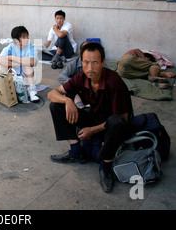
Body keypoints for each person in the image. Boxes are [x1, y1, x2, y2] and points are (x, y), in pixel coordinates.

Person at [48, 42, 133, 193]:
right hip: (94, 116)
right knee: (56, 106)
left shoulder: (114, 82)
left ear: (103, 63)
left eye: (95, 63)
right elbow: (52, 93)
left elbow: (123, 118)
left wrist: (92, 131)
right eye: (86, 62)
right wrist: (68, 100)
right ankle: (75, 151)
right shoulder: (81, 77)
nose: (90, 68)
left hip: (112, 125)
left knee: (117, 122)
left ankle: (106, 167)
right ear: (81, 62)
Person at [0, 26, 39, 102]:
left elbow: (32, 62)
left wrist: (12, 57)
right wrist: (17, 64)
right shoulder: (10, 47)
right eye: (24, 37)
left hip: (27, 78)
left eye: (27, 36)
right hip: (13, 76)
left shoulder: (31, 48)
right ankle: (3, 88)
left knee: (27, 65)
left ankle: (32, 92)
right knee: (3, 65)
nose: (27, 39)